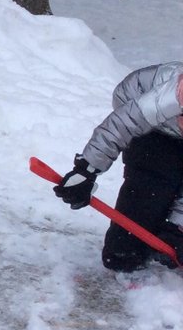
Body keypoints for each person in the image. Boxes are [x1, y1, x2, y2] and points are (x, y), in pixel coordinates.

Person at [53, 63, 183, 271]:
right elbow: (123, 124)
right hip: (137, 109)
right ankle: (124, 253)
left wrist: (177, 226)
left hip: (173, 127)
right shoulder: (173, 94)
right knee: (154, 178)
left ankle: (163, 231)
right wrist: (87, 170)